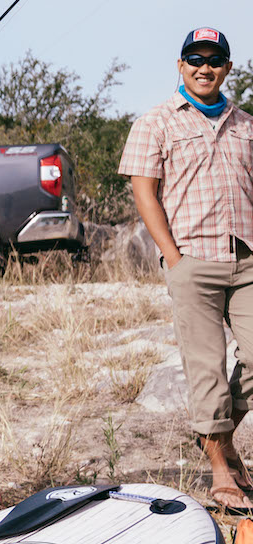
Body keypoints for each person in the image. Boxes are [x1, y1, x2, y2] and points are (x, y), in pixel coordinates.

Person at [118, 27, 253, 512]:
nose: (204, 67)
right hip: (192, 258)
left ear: (227, 69)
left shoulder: (246, 125)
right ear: (180, 66)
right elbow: (143, 191)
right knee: (206, 370)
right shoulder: (154, 122)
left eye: (215, 60)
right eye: (195, 58)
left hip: (247, 258)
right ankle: (221, 468)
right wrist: (172, 258)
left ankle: (215, 435)